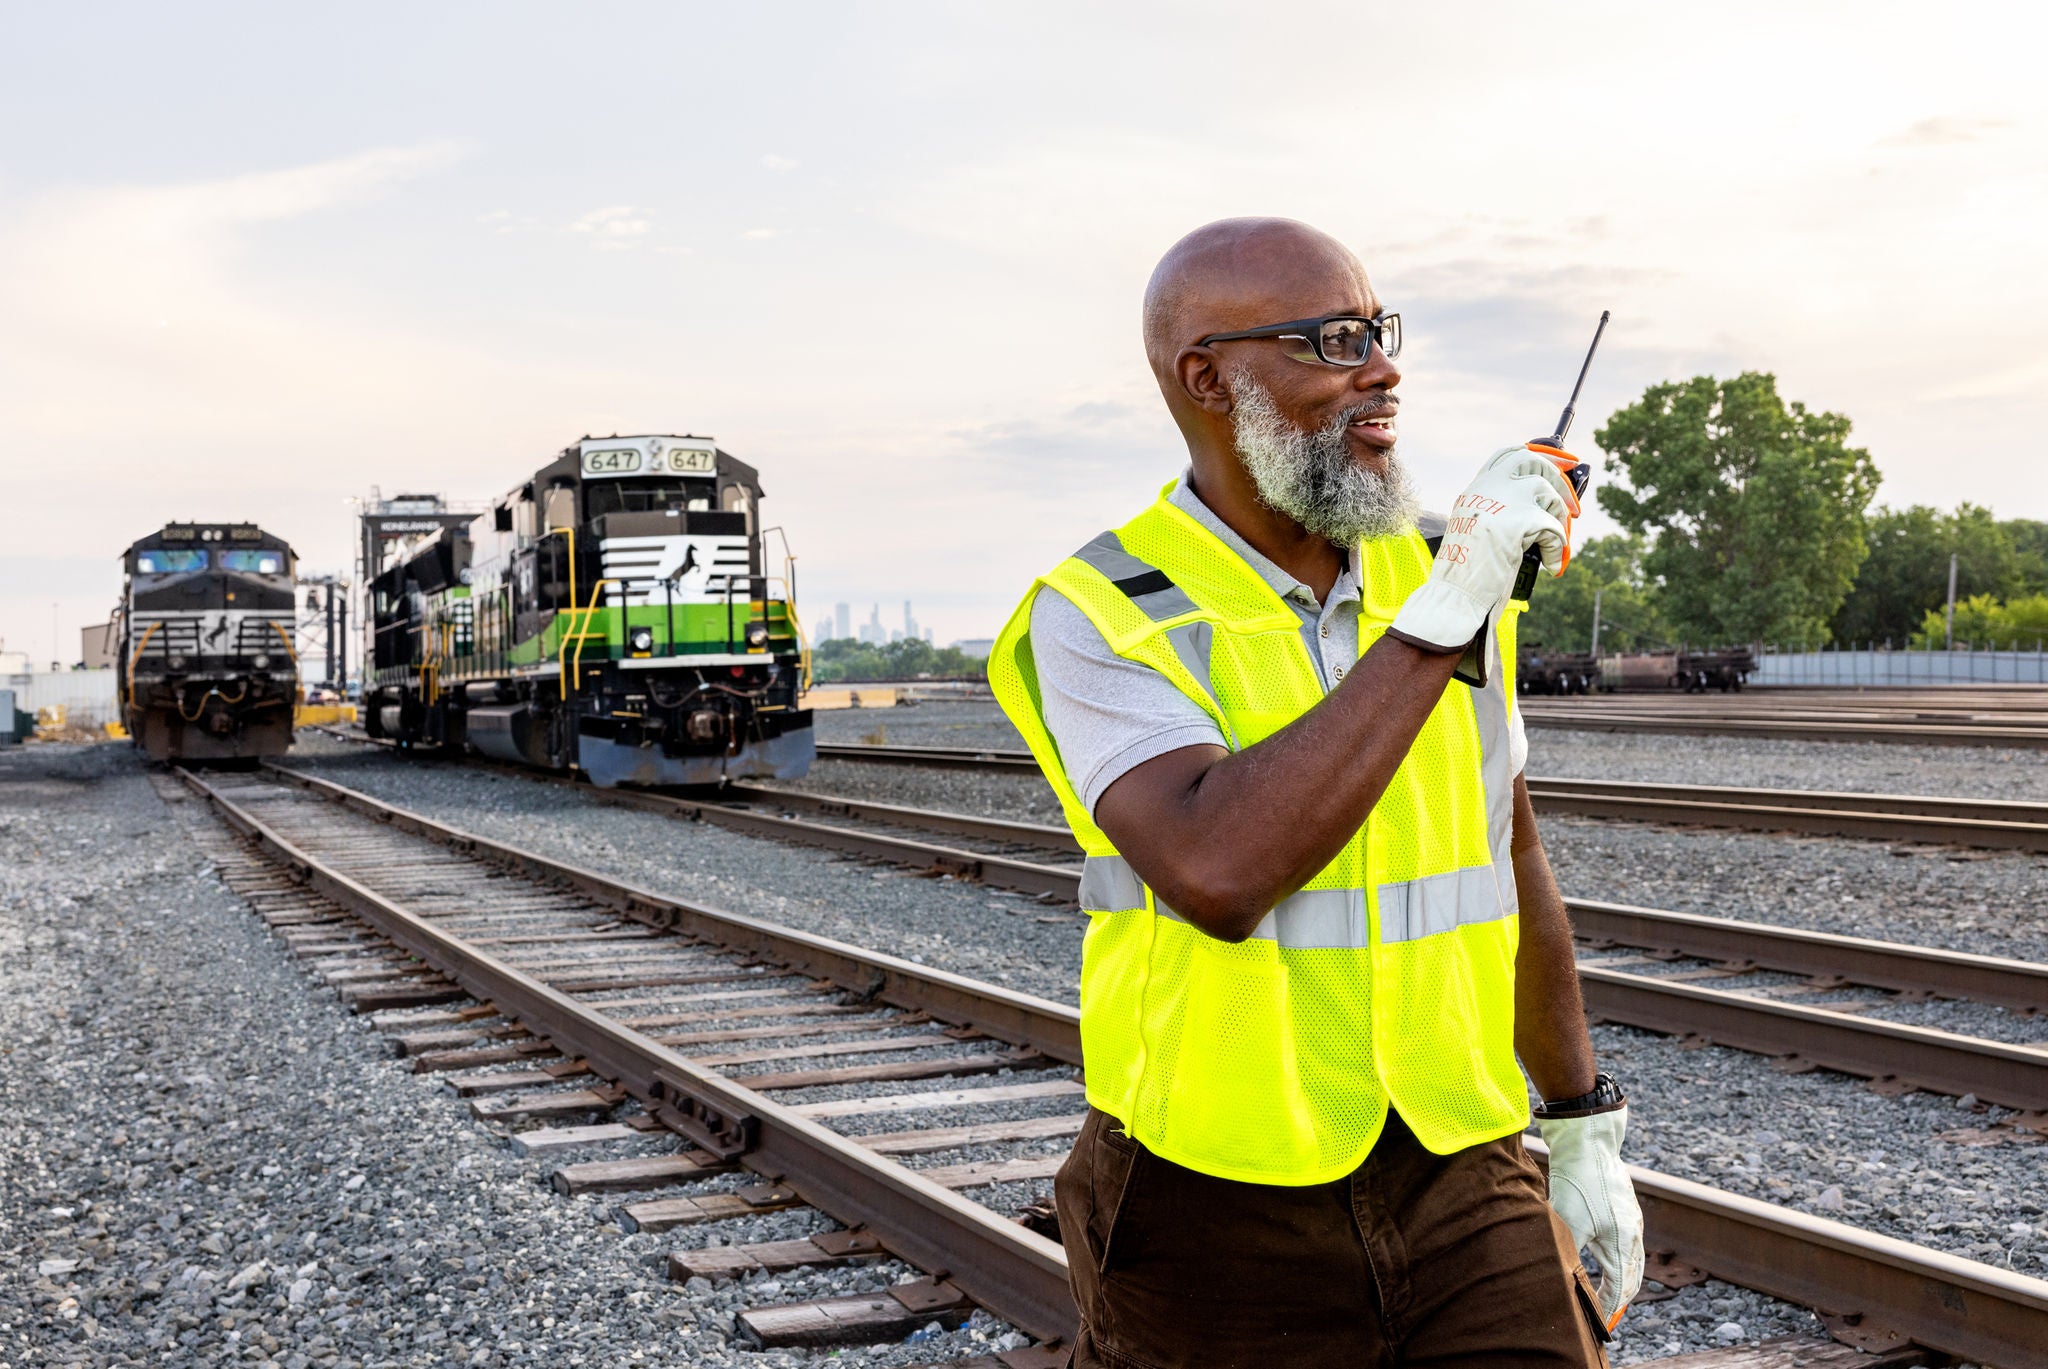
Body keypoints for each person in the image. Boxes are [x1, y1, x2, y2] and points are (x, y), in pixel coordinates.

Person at [988, 217, 1645, 1367]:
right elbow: (1217, 869)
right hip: (1211, 1190)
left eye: (1379, 331)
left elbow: (1511, 856)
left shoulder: (1434, 579)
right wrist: (1439, 625)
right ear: (1207, 377)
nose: (1381, 368)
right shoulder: (1099, 611)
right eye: (1333, 340)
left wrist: (1582, 1122)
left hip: (1459, 1157)